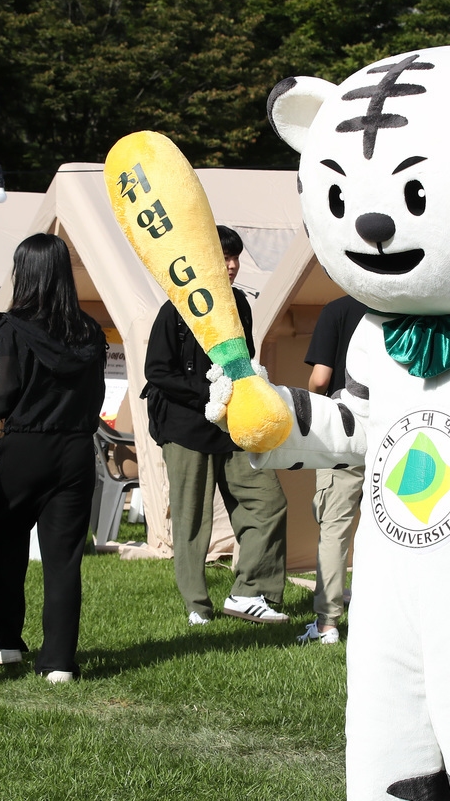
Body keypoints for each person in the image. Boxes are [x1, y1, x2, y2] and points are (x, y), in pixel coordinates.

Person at [0, 234, 106, 683]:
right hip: (75, 450)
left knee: (4, 548)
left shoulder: (11, 330)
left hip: (25, 446)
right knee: (63, 561)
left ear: (22, 273)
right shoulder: (90, 331)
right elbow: (97, 395)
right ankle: (60, 662)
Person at [143, 225, 289, 626]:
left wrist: (235, 397)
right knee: (191, 518)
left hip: (233, 423)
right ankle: (196, 605)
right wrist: (207, 394)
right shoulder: (176, 305)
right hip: (184, 425)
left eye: (236, 257)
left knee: (268, 502)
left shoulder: (240, 303)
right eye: (224, 257)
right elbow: (156, 370)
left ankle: (251, 592)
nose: (232, 265)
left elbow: (246, 357)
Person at [297, 294, 368, 645]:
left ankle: (327, 624)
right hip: (398, 427)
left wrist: (315, 406)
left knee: (335, 527)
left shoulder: (338, 310)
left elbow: (320, 379)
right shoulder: (404, 304)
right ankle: (377, 614)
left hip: (346, 427)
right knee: (384, 529)